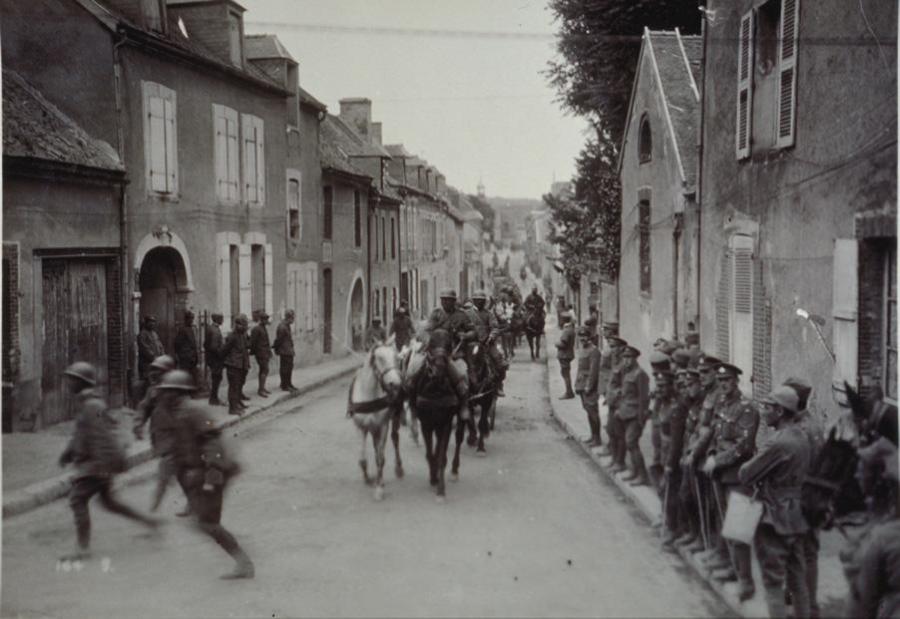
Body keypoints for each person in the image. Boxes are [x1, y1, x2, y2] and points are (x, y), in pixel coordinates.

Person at [58, 362, 160, 560]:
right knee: (110, 503)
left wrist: (100, 468)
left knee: (77, 499)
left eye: (72, 379)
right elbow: (83, 433)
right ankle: (149, 523)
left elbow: (101, 437)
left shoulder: (92, 405)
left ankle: (83, 548)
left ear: (81, 382)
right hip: (97, 463)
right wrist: (69, 453)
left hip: (98, 465)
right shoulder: (87, 403)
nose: (68, 383)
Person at [160, 370, 254, 579]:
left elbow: (213, 441)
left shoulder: (194, 411)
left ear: (178, 393)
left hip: (213, 472)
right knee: (205, 522)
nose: (163, 396)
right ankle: (239, 555)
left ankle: (244, 563)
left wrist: (212, 478)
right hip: (200, 474)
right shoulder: (179, 413)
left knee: (207, 523)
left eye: (168, 392)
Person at [739, 385, 811, 618]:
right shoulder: (802, 436)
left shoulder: (777, 443)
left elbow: (745, 474)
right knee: (798, 579)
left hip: (773, 516)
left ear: (780, 412)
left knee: (772, 582)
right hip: (796, 514)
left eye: (768, 407)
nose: (763, 411)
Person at [701, 363, 759, 600]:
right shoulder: (723, 404)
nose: (723, 385)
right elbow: (716, 434)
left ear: (736, 381)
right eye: (720, 381)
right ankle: (732, 569)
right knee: (725, 521)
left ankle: (746, 581)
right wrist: (711, 454)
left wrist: (718, 460)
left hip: (738, 476)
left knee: (739, 528)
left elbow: (744, 447)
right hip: (722, 474)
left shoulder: (747, 409)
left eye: (727, 381)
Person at [133, 354, 190, 516]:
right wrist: (138, 424)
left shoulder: (178, 391)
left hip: (176, 440)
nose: (154, 374)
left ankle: (151, 513)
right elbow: (144, 407)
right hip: (161, 438)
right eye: (154, 371)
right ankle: (194, 500)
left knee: (164, 474)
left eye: (159, 371)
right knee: (180, 473)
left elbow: (186, 414)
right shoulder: (153, 391)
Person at [656, 370, 688, 550]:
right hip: (664, 450)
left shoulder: (677, 407)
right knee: (664, 489)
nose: (659, 389)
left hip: (673, 456)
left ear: (671, 386)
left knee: (671, 492)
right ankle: (669, 522)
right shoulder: (664, 403)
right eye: (658, 386)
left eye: (662, 386)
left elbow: (676, 439)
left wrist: (670, 463)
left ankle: (673, 528)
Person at [615, 345, 651, 486]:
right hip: (625, 413)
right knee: (628, 442)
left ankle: (642, 475)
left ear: (635, 358)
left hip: (635, 415)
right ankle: (634, 471)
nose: (626, 360)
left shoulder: (640, 374)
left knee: (631, 442)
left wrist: (641, 418)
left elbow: (644, 398)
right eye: (625, 357)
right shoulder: (627, 373)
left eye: (629, 357)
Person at [470, 289, 508, 396]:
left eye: (481, 300)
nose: (479, 302)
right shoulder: (468, 314)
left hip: (487, 343)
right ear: (473, 301)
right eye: (477, 300)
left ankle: (499, 385)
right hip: (471, 344)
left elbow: (495, 327)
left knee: (498, 361)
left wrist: (491, 337)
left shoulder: (489, 314)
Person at [574, 326, 602, 447]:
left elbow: (593, 371)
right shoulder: (582, 349)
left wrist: (589, 386)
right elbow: (580, 369)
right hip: (581, 384)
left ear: (589, 337)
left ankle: (597, 438)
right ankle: (592, 436)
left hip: (589, 386)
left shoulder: (594, 351)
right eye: (580, 336)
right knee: (588, 411)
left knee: (593, 412)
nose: (582, 339)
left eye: (585, 336)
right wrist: (577, 384)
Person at [425, 289, 477, 354]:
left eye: (448, 300)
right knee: (419, 362)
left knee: (462, 364)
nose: (445, 302)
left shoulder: (461, 315)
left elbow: (473, 331)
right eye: (443, 299)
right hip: (438, 347)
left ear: (454, 301)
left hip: (455, 348)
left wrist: (465, 335)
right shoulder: (436, 313)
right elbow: (428, 330)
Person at [603, 336, 628, 468]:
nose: (612, 350)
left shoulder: (624, 364)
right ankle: (614, 458)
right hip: (612, 402)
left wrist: (616, 396)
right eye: (611, 346)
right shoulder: (616, 361)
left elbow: (625, 386)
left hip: (620, 404)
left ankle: (620, 461)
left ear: (621, 348)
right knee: (611, 430)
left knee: (619, 433)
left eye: (614, 347)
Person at [221, 313, 250, 416]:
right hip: (233, 366)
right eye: (243, 324)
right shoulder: (232, 336)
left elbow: (246, 347)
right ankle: (232, 408)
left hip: (240, 365)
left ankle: (237, 403)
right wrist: (228, 362)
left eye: (245, 324)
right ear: (237, 325)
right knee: (233, 387)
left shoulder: (242, 335)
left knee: (238, 386)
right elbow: (224, 350)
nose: (245, 327)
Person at [136, 315, 165, 400]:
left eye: (153, 322)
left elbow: (160, 345)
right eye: (150, 322)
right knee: (147, 383)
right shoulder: (142, 335)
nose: (152, 324)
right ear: (146, 323)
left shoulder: (154, 334)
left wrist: (162, 356)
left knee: (156, 383)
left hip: (156, 364)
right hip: (147, 364)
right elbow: (145, 349)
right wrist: (154, 358)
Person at [274, 310, 298, 393]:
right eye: (293, 318)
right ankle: (284, 385)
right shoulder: (282, 327)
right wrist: (276, 349)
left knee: (289, 368)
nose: (293, 320)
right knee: (285, 368)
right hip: (284, 351)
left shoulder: (287, 326)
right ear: (289, 318)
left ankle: (289, 384)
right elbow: (278, 340)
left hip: (288, 350)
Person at [173, 310, 199, 387]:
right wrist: (180, 355)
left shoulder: (191, 329)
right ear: (186, 319)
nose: (192, 320)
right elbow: (177, 344)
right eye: (190, 318)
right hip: (185, 357)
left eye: (192, 318)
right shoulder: (182, 329)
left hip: (191, 357)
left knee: (191, 376)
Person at [249, 311, 272, 398]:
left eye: (267, 319)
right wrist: (254, 352)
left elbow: (266, 341)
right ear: (261, 320)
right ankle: (261, 390)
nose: (267, 321)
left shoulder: (263, 328)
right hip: (260, 353)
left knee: (264, 370)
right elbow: (253, 342)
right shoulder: (256, 329)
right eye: (265, 319)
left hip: (265, 352)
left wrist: (269, 351)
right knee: (264, 369)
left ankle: (262, 387)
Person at [204, 312, 225, 406]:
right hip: (216, 359)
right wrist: (222, 354)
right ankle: (214, 399)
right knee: (217, 378)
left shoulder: (210, 328)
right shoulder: (215, 330)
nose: (223, 320)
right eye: (221, 318)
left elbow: (205, 344)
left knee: (215, 378)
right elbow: (214, 347)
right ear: (217, 319)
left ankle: (214, 398)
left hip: (211, 358)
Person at [555, 312, 576, 399]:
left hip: (564, 355)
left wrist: (556, 344)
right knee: (565, 373)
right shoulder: (570, 328)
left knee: (565, 374)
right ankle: (569, 391)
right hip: (568, 354)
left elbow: (563, 343)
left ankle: (569, 392)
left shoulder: (567, 330)